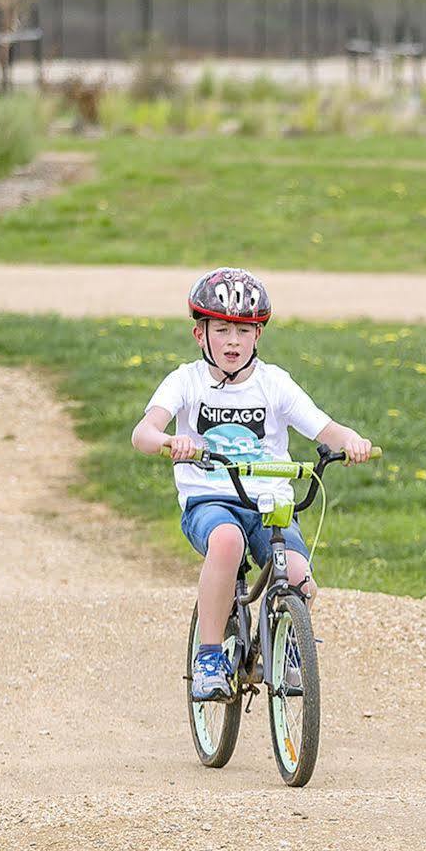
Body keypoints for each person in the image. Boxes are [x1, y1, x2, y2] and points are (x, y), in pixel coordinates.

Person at [131, 267, 374, 701]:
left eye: (244, 331)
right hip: (211, 501)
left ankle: (284, 649)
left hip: (268, 501)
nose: (232, 341)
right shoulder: (186, 380)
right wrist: (170, 441)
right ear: (199, 334)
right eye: (221, 329)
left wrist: (351, 441)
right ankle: (209, 656)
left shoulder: (273, 383)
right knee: (227, 544)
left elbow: (324, 428)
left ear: (258, 335)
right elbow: (143, 433)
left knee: (299, 576)